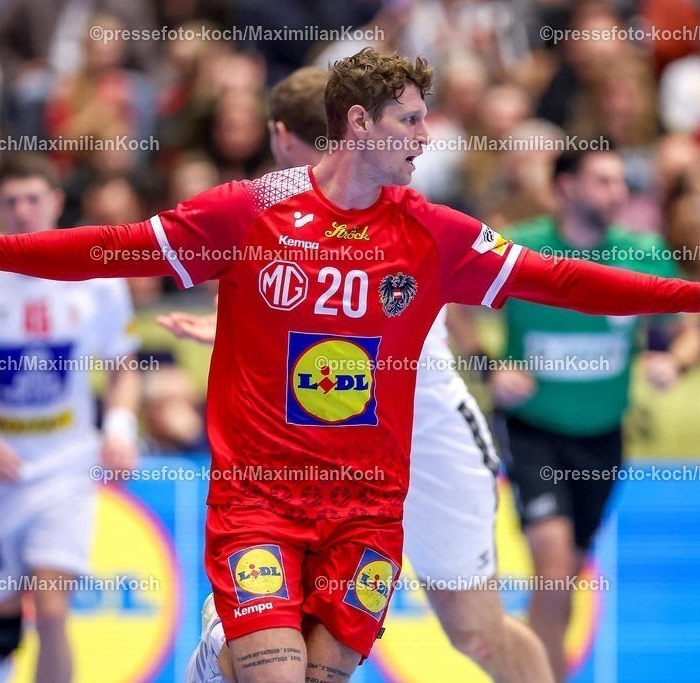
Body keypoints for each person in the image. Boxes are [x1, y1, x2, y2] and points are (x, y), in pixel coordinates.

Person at [0, 48, 700, 683]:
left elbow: (564, 279)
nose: (424, 136)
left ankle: (233, 652)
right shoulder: (249, 212)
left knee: (474, 626)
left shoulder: (431, 231)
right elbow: (108, 247)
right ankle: (231, 645)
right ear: (355, 125)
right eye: (408, 121)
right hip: (264, 492)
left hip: (380, 484)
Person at [161, 65, 551, 683]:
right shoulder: (272, 212)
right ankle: (226, 639)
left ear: (283, 134)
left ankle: (223, 644)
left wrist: (699, 297)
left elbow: (487, 283)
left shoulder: (401, 204)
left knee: (477, 629)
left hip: (422, 436)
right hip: (318, 449)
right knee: (279, 641)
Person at [0, 153, 141, 683]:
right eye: (10, 200)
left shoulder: (97, 277)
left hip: (65, 464)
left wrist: (120, 428)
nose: (22, 211)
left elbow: (123, 368)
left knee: (54, 611)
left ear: (56, 203)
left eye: (33, 198)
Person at [492, 146, 700, 682]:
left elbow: (691, 330)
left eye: (621, 182)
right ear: (565, 187)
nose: (618, 193)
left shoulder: (643, 252)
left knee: (565, 578)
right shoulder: (521, 248)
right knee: (553, 559)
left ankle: (529, 669)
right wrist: (490, 367)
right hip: (534, 432)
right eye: (603, 181)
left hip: (603, 438)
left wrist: (675, 363)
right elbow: (453, 309)